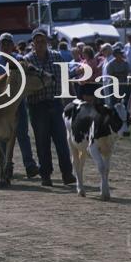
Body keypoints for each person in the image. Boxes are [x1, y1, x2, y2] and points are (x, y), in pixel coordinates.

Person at [0, 32, 39, 179]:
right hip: (0, 106)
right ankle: (7, 165)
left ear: (12, 45)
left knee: (22, 134)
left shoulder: (20, 60)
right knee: (2, 136)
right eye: (3, 43)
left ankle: (29, 165)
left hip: (18, 104)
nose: (6, 46)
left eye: (8, 43)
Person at [24, 28, 75, 187]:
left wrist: (68, 102)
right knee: (42, 142)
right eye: (37, 41)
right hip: (37, 106)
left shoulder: (57, 56)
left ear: (47, 42)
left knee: (61, 141)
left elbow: (64, 81)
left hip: (55, 104)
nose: (40, 44)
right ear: (33, 43)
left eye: (42, 41)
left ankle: (67, 174)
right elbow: (26, 86)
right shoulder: (27, 61)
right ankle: (46, 175)